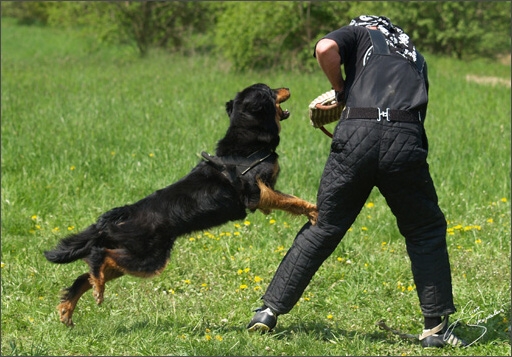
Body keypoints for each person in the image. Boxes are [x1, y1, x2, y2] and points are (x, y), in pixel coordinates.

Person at [246, 15, 466, 348]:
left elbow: (325, 47)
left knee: (324, 225)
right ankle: (435, 330)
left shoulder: (361, 31)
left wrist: (339, 88)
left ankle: (268, 311)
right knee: (424, 229)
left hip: (357, 133)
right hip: (404, 138)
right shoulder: (414, 56)